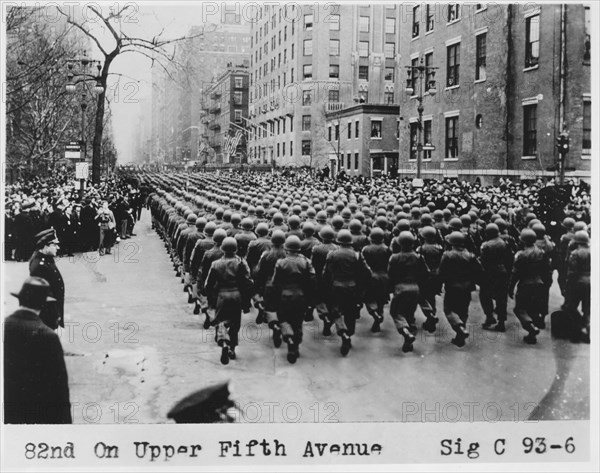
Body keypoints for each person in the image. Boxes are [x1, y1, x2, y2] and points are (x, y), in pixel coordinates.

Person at [4, 277, 72, 424]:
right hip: (37, 414)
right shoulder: (47, 336)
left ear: (20, 299)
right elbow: (59, 390)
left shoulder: (5, 325)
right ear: (43, 304)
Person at [204, 237, 253, 365]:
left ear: (222, 249)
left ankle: (224, 342)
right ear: (236, 249)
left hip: (222, 296)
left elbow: (208, 284)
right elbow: (248, 283)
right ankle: (232, 348)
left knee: (221, 322)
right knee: (235, 324)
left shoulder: (216, 264)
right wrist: (247, 300)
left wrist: (209, 296)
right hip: (237, 296)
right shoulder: (242, 263)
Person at [322, 229, 371, 356]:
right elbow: (367, 272)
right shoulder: (357, 254)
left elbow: (326, 273)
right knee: (350, 311)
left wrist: (326, 288)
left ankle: (343, 333)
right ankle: (349, 333)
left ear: (338, 241)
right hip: (352, 286)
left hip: (337, 285)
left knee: (336, 311)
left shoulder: (332, 254)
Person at [271, 235, 316, 363]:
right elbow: (312, 280)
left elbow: (275, 282)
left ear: (286, 248)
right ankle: (294, 346)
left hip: (285, 295)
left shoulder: (281, 262)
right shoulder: (306, 262)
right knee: (297, 321)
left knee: (283, 319)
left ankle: (288, 337)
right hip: (300, 295)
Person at [438, 231, 483, 347]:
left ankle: (459, 327)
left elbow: (441, 272)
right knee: (463, 311)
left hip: (452, 286)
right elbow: (479, 271)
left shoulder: (447, 255)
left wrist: (439, 285)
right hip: (467, 287)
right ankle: (460, 337)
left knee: (448, 309)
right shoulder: (471, 255)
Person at [508, 229, 552, 345]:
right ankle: (532, 335)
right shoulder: (542, 252)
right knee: (533, 308)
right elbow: (547, 270)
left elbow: (515, 273)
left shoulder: (521, 255)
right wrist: (546, 283)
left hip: (525, 284)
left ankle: (531, 328)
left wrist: (511, 287)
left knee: (519, 309)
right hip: (539, 283)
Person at [29, 229, 65, 330]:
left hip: (54, 311)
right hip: (48, 316)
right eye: (55, 245)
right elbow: (43, 297)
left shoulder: (47, 259)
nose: (58, 247)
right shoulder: (39, 266)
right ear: (45, 246)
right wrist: (55, 317)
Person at [562, 230, 590, 343]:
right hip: (591, 282)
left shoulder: (575, 253)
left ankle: (577, 331)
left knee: (571, 307)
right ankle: (588, 329)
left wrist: (568, 286)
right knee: (588, 309)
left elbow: (572, 272)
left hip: (578, 283)